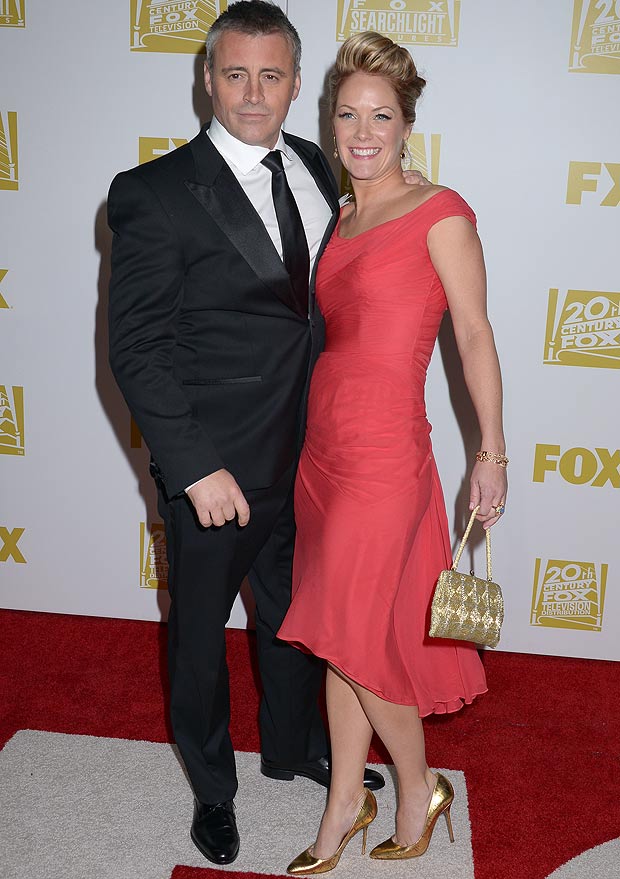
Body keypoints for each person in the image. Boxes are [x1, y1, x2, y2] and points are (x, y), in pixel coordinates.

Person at [108, 2, 427, 867]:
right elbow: (136, 346)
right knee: (201, 642)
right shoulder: (154, 192)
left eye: (273, 75)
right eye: (236, 73)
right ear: (207, 79)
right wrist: (194, 463)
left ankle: (296, 746)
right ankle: (214, 791)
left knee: (301, 621)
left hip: (319, 460)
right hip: (217, 468)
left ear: (296, 85)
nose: (254, 92)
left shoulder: (325, 168)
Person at [278, 31, 508, 875]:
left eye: (381, 115)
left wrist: (493, 450)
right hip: (323, 451)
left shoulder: (440, 211)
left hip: (384, 453)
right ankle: (347, 794)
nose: (363, 130)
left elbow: (475, 334)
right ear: (332, 123)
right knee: (345, 635)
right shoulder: (341, 216)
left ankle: (415, 783)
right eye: (348, 115)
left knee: (360, 638)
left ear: (407, 123)